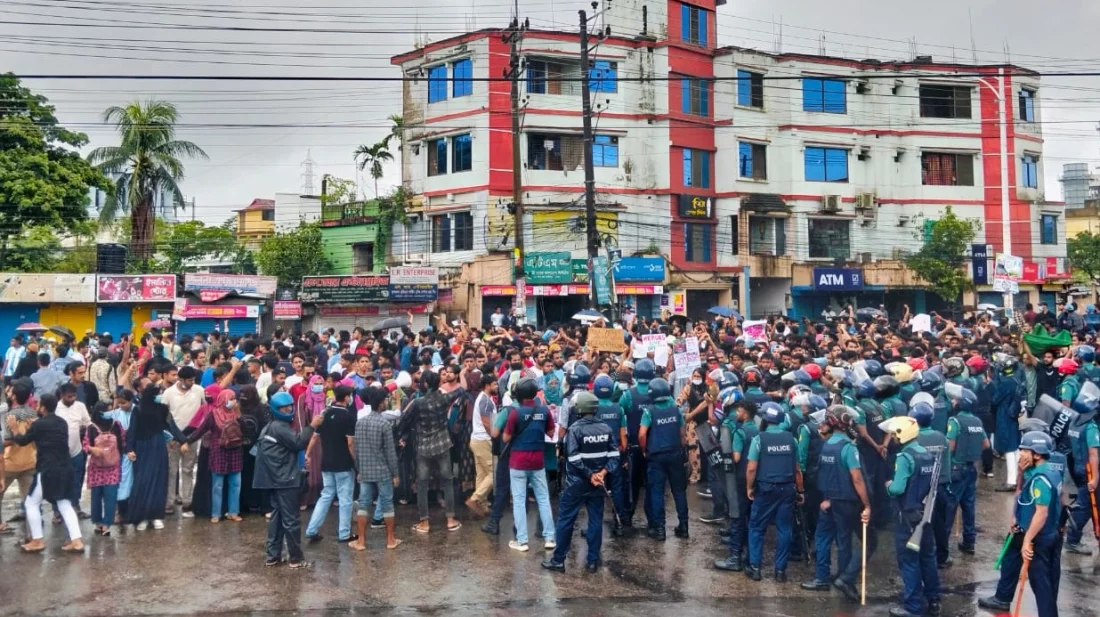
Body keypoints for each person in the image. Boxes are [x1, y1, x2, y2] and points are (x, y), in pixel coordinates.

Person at [979, 432, 1062, 617]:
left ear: (1037, 454)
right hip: (1027, 530)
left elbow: (1041, 513)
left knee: (1041, 584)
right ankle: (1002, 598)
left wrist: (1027, 541)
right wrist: (1020, 473)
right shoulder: (1046, 471)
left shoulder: (1041, 479)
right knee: (1012, 559)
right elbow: (1022, 495)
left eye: (1025, 450)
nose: (1021, 454)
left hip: (1037, 537)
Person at [800, 405, 871, 602]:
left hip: (828, 500)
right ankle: (843, 579)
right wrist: (867, 504)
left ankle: (821, 578)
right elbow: (857, 478)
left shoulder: (827, 445)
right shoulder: (848, 448)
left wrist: (827, 498)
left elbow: (823, 473)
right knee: (843, 542)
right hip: (845, 502)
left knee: (822, 539)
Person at [542, 391, 619, 573]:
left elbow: (574, 458)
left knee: (566, 520)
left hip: (576, 483)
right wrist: (601, 473)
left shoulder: (575, 429)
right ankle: (592, 561)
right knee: (595, 521)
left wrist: (589, 474)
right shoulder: (606, 429)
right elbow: (615, 455)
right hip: (598, 484)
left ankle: (559, 560)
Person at [6, 393, 83, 554]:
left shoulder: (39, 425)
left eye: (39, 404)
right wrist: (33, 427)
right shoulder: (61, 423)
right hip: (65, 467)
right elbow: (45, 437)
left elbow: (22, 441)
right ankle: (76, 541)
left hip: (48, 469)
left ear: (43, 407)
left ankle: (37, 540)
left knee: (31, 503)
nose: (36, 406)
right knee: (64, 503)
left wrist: (14, 429)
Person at [255, 391, 323, 568]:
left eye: (289, 407)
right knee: (291, 519)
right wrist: (312, 426)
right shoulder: (280, 427)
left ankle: (273, 556)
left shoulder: (272, 426)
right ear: (276, 410)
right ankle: (296, 559)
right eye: (283, 408)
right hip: (284, 479)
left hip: (275, 478)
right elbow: (298, 442)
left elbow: (287, 448)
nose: (288, 410)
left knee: (277, 518)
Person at [880, 415, 939, 617]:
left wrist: (888, 487)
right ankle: (933, 600)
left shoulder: (905, 458)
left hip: (907, 516)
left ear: (901, 435)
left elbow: (898, 488)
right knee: (928, 558)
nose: (892, 438)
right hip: (926, 514)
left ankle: (913, 607)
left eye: (894, 434)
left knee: (909, 561)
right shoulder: (927, 454)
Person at [397, 369, 465, 534]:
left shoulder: (418, 403)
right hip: (443, 444)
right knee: (447, 481)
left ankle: (424, 522)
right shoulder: (444, 398)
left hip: (423, 447)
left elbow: (403, 420)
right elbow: (461, 389)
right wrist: (461, 372)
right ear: (438, 383)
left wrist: (406, 433)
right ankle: (450, 519)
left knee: (422, 484)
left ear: (425, 384)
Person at [745, 401, 803, 582]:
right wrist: (801, 491)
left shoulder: (759, 439)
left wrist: (749, 487)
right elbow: (798, 469)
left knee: (756, 527)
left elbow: (752, 468)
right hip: (787, 489)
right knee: (784, 529)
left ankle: (755, 568)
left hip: (765, 489)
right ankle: (780, 572)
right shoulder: (791, 439)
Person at [127, 370, 189, 531]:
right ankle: (142, 517)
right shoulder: (138, 410)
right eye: (157, 393)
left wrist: (183, 440)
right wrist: (129, 449)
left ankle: (155, 516)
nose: (160, 396)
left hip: (158, 447)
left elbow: (171, 426)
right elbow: (132, 431)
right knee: (143, 481)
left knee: (159, 481)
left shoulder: (162, 409)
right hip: (142, 448)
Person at [502, 376, 556, 551]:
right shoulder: (544, 410)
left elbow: (506, 437)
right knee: (543, 499)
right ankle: (549, 538)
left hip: (518, 461)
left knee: (518, 500)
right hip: (538, 460)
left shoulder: (515, 413)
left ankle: (522, 541)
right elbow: (550, 431)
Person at [304, 384, 357, 543]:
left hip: (326, 462)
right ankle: (344, 533)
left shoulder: (324, 413)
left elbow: (314, 437)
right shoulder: (349, 416)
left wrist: (307, 454)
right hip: (343, 463)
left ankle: (312, 529)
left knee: (326, 496)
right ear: (347, 398)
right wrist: (355, 461)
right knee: (345, 499)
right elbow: (350, 443)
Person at [639, 377, 690, 541]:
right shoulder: (676, 409)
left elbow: (641, 434)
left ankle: (660, 529)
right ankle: (684, 527)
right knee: (679, 491)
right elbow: (683, 434)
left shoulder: (649, 411)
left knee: (657, 492)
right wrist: (684, 451)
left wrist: (644, 451)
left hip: (656, 456)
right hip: (676, 453)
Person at [350, 393, 402, 551]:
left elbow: (357, 449)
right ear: (380, 404)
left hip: (365, 470)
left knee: (363, 504)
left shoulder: (360, 423)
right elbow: (390, 453)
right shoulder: (384, 424)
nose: (387, 402)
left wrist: (359, 468)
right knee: (387, 504)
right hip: (383, 471)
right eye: (385, 400)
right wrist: (395, 473)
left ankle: (361, 541)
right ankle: (390, 539)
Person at [943, 384, 989, 557]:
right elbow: (986, 444)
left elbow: (950, 446)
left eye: (956, 400)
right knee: (968, 506)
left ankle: (943, 547)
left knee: (949, 507)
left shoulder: (954, 421)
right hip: (971, 468)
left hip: (956, 468)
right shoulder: (977, 421)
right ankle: (969, 542)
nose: (953, 401)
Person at [186, 389, 245, 524]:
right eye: (230, 398)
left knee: (235, 484)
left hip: (235, 451)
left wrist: (238, 413)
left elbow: (244, 429)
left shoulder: (236, 414)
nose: (233, 401)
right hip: (218, 452)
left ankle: (233, 512)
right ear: (223, 400)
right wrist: (187, 441)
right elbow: (201, 430)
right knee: (217, 485)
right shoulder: (213, 415)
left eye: (234, 398)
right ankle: (216, 513)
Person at [714, 398, 758, 572]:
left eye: (739, 411)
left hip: (740, 479)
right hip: (755, 480)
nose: (737, 414)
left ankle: (734, 558)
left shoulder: (740, 432)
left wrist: (725, 452)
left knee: (737, 517)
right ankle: (749, 556)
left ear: (745, 412)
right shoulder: (757, 429)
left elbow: (736, 457)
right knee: (750, 517)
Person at [618, 357, 656, 533]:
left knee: (632, 485)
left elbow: (620, 415)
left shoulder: (628, 395)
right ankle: (653, 523)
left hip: (633, 446)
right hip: (653, 447)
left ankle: (627, 518)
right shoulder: (658, 393)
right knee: (652, 485)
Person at [592, 373, 629, 536]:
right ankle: (619, 522)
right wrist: (622, 450)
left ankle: (595, 526)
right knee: (617, 487)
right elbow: (623, 435)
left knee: (596, 490)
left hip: (596, 454)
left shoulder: (592, 408)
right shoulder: (618, 408)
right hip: (615, 454)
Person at [162, 365, 203, 515]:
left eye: (193, 380)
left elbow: (203, 411)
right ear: (180, 379)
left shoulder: (199, 391)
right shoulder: (168, 393)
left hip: (191, 438)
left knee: (188, 470)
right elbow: (164, 416)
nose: (192, 382)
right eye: (189, 380)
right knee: (172, 470)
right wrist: (170, 437)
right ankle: (169, 502)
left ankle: (187, 501)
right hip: (172, 439)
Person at [1, 381, 39, 531]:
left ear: (15, 396)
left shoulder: (9, 416)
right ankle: (32, 533)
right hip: (30, 461)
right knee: (29, 500)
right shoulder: (33, 413)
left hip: (10, 463)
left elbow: (8, 440)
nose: (8, 393)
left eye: (10, 392)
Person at [83, 402, 123, 536]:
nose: (110, 414)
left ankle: (107, 524)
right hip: (97, 468)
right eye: (107, 411)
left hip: (112, 467)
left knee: (110, 496)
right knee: (96, 496)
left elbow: (123, 442)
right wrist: (92, 449)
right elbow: (85, 445)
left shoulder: (116, 425)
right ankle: (98, 522)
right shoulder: (91, 428)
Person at [56, 382, 92, 519]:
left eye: (74, 396)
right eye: (69, 397)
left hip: (77, 451)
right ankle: (57, 512)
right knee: (59, 481)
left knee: (77, 479)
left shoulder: (80, 406)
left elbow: (88, 423)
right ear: (62, 395)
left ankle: (75, 505)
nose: (72, 399)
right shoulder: (55, 408)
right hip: (59, 454)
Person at [466, 372, 496, 515]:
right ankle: (475, 498)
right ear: (487, 385)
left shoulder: (485, 398)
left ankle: (480, 506)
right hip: (483, 440)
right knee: (493, 473)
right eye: (494, 384)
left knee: (482, 474)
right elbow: (486, 423)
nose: (496, 386)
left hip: (477, 440)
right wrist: (496, 437)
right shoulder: (485, 400)